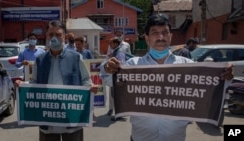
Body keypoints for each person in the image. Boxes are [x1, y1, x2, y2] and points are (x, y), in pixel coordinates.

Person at [100, 13, 233, 141]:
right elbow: (108, 80)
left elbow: (213, 87)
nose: (161, 37)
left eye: (165, 32)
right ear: (147, 38)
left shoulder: (187, 66)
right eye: (155, 33)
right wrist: (107, 67)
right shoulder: (133, 66)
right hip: (140, 138)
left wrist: (226, 76)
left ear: (171, 36)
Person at [15, 20, 98, 141]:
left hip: (71, 119)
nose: (54, 38)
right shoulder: (40, 59)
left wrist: (91, 87)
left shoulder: (75, 57)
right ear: (46, 36)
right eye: (51, 34)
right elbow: (35, 83)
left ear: (65, 36)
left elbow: (85, 80)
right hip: (47, 120)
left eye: (58, 34)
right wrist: (22, 85)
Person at [105, 37, 127, 120]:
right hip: (115, 76)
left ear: (116, 43)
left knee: (117, 96)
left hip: (118, 77)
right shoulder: (115, 51)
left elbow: (121, 65)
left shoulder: (119, 52)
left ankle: (118, 114)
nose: (110, 45)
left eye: (111, 43)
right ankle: (115, 112)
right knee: (113, 95)